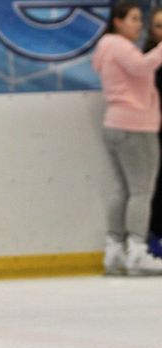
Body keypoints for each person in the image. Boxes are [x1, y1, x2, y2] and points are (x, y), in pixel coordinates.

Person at [92, 1, 162, 275]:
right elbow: (143, 67)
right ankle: (136, 249)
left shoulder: (106, 47)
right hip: (136, 125)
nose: (139, 24)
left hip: (117, 123)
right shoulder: (119, 46)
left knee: (124, 189)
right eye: (133, 18)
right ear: (117, 21)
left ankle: (114, 248)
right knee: (141, 191)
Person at [144, 6, 162, 258]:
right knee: (157, 182)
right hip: (156, 126)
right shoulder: (147, 58)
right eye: (159, 26)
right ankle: (155, 234)